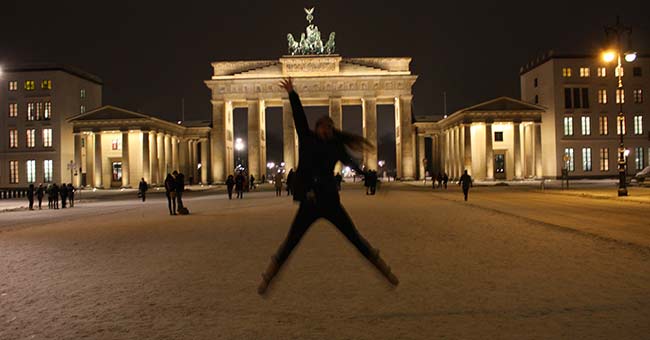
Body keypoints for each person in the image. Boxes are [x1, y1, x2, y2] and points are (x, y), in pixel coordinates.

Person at [258, 78, 399, 295]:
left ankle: (382, 268)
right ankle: (269, 276)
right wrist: (292, 94)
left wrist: (369, 177)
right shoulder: (307, 139)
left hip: (330, 201)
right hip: (310, 201)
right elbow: (299, 117)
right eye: (326, 127)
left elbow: (352, 163)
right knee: (291, 241)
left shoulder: (335, 147)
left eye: (331, 127)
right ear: (318, 128)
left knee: (354, 237)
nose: (328, 130)